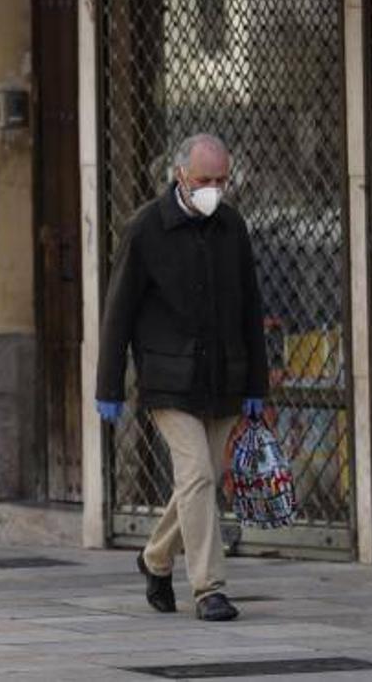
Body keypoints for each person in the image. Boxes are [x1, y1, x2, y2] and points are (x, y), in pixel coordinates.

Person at [95, 133, 269, 622]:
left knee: (203, 479)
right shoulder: (146, 228)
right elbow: (119, 312)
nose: (213, 189)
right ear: (180, 177)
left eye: (221, 180)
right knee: (195, 475)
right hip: (168, 380)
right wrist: (109, 386)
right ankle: (209, 588)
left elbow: (250, 308)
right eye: (204, 180)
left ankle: (155, 557)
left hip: (224, 378)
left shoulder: (232, 227)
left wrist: (257, 383)